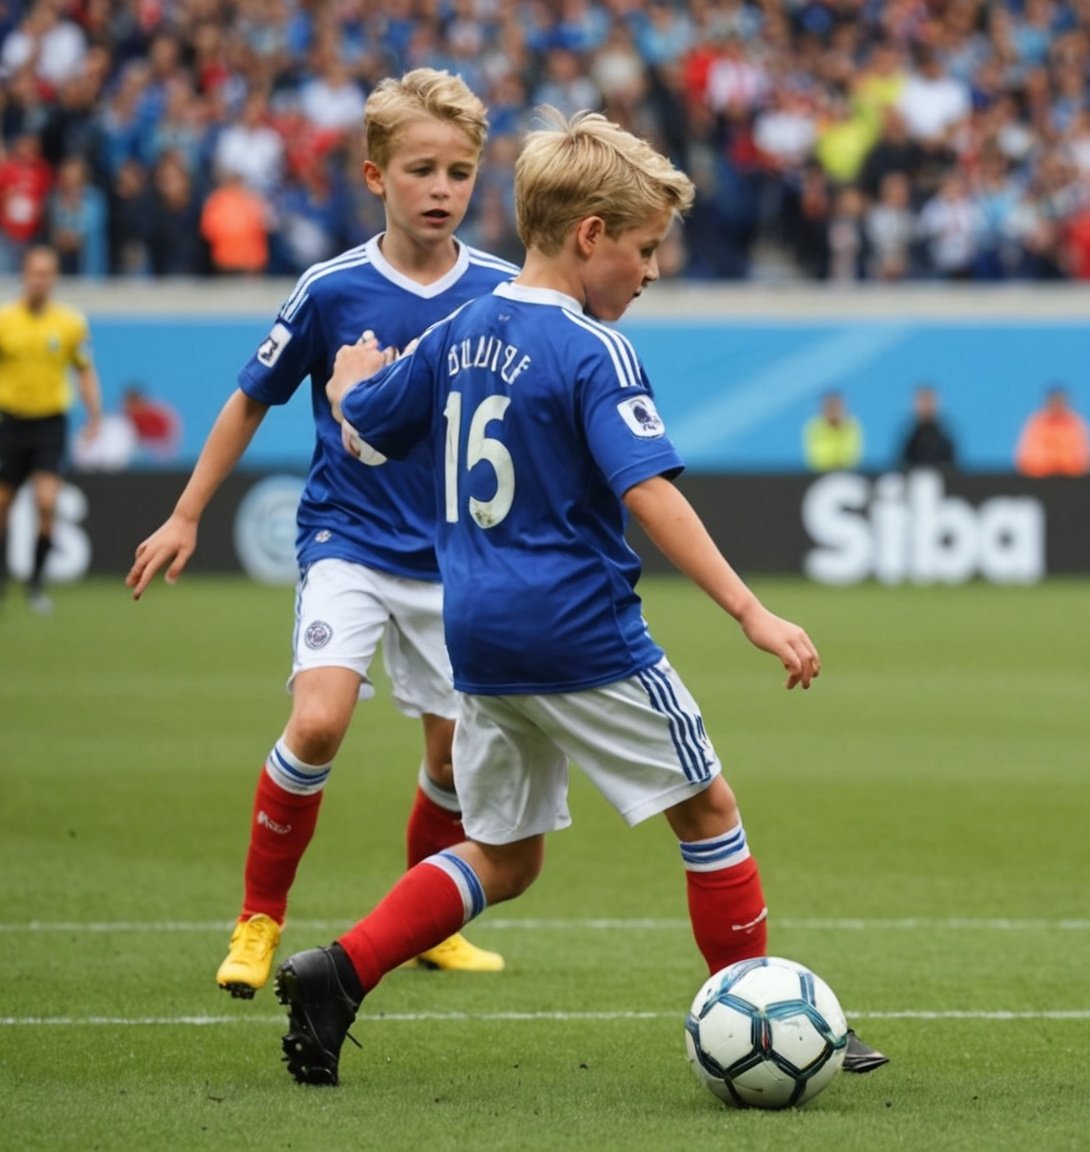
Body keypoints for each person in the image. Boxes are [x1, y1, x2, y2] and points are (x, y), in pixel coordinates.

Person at [280, 109, 885, 1086]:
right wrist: (751, 612)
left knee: (505, 856)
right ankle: (763, 1008)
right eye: (644, 249)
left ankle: (339, 971)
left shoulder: (457, 329)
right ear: (590, 235)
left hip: (478, 638)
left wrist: (349, 389)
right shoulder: (592, 350)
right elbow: (649, 492)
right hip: (578, 631)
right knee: (708, 811)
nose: (652, 272)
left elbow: (373, 426)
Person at [126, 69, 521, 997]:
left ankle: (431, 925)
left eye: (459, 172)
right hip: (349, 541)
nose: (441, 190)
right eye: (421, 169)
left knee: (450, 757)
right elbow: (250, 399)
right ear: (375, 175)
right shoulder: (331, 289)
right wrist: (186, 512)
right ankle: (258, 920)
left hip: (455, 560)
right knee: (317, 723)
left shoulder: (503, 292)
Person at [0, 244, 101, 614]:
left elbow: (84, 371)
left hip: (49, 424)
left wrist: (94, 416)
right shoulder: (5, 320)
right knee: (2, 504)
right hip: (10, 422)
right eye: (34, 273)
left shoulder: (70, 323)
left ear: (54, 278)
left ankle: (36, 584)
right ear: (24, 275)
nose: (39, 280)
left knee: (46, 502)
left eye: (46, 274)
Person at [1014, 385, 1090, 477]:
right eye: (1054, 401)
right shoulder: (1036, 423)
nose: (1057, 404)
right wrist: (1047, 466)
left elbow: (1086, 457)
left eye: (1060, 401)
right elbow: (1026, 456)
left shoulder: (1076, 423)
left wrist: (1066, 466)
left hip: (1072, 478)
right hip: (1040, 478)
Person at [897, 382, 956, 470]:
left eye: (929, 401)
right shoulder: (908, 438)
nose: (926, 406)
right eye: (922, 401)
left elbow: (951, 468)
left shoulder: (945, 438)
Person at [803, 390, 863, 472]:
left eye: (837, 407)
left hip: (848, 473)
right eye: (830, 407)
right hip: (820, 474)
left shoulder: (852, 425)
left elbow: (852, 457)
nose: (833, 411)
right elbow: (817, 459)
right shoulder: (814, 426)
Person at [123, 384, 183, 463]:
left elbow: (169, 438)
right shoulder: (125, 417)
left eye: (132, 404)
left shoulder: (157, 416)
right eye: (128, 404)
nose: (130, 407)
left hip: (159, 453)